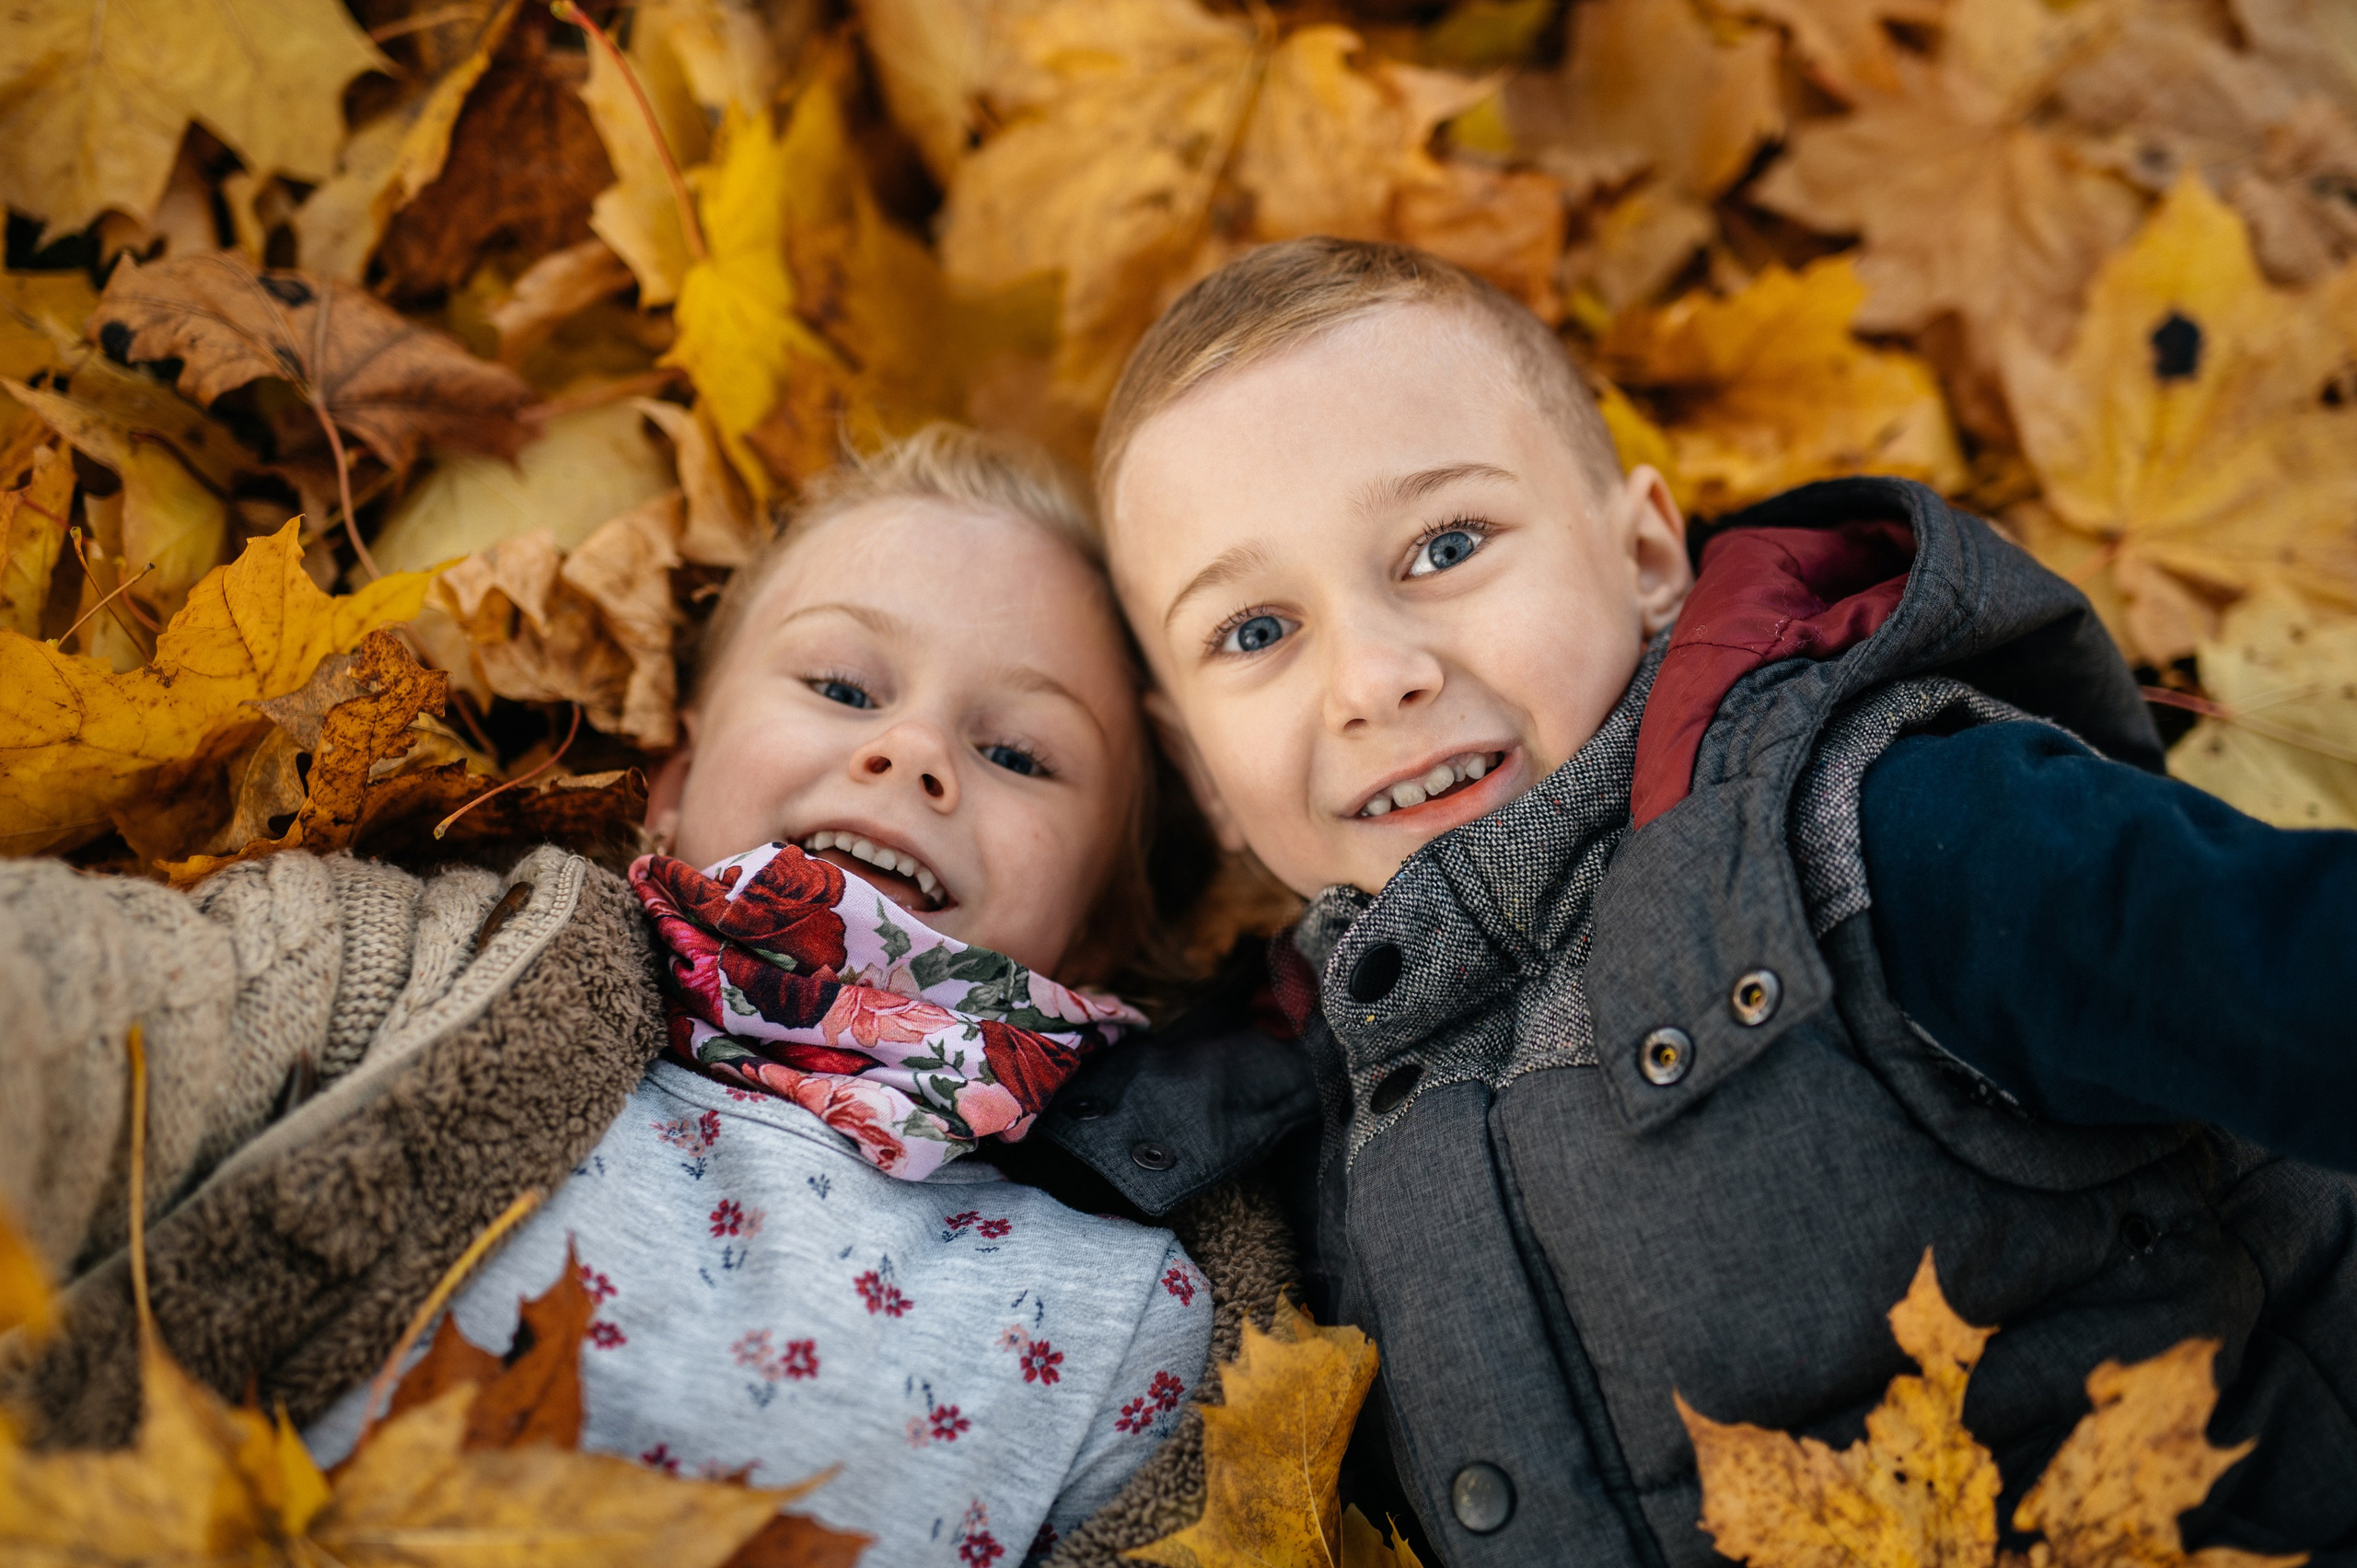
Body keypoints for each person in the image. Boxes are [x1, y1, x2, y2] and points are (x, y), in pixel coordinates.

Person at [1079, 236, 2357, 1564]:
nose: (1372, 675)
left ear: (1644, 554)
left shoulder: (1875, 834)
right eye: (1255, 631)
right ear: (1199, 776)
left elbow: (2291, 966)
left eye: (1443, 545)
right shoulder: (1304, 1129)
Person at [0, 425, 1295, 1568]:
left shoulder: (1141, 1318)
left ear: (1108, 932)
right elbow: (105, 1007)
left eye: (1017, 751)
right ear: (672, 779)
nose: (909, 751)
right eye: (842, 687)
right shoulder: (442, 966)